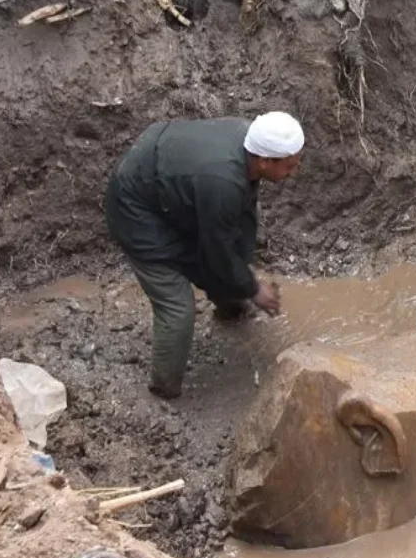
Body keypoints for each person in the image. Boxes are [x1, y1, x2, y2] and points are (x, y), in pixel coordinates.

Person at [105, 112, 305, 399]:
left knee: (226, 257)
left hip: (170, 186)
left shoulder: (251, 142)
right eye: (289, 166)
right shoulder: (223, 181)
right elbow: (217, 251)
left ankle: (231, 311)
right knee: (177, 309)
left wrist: (244, 267)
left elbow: (239, 219)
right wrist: (253, 287)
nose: (294, 171)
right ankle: (164, 390)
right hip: (135, 206)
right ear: (265, 161)